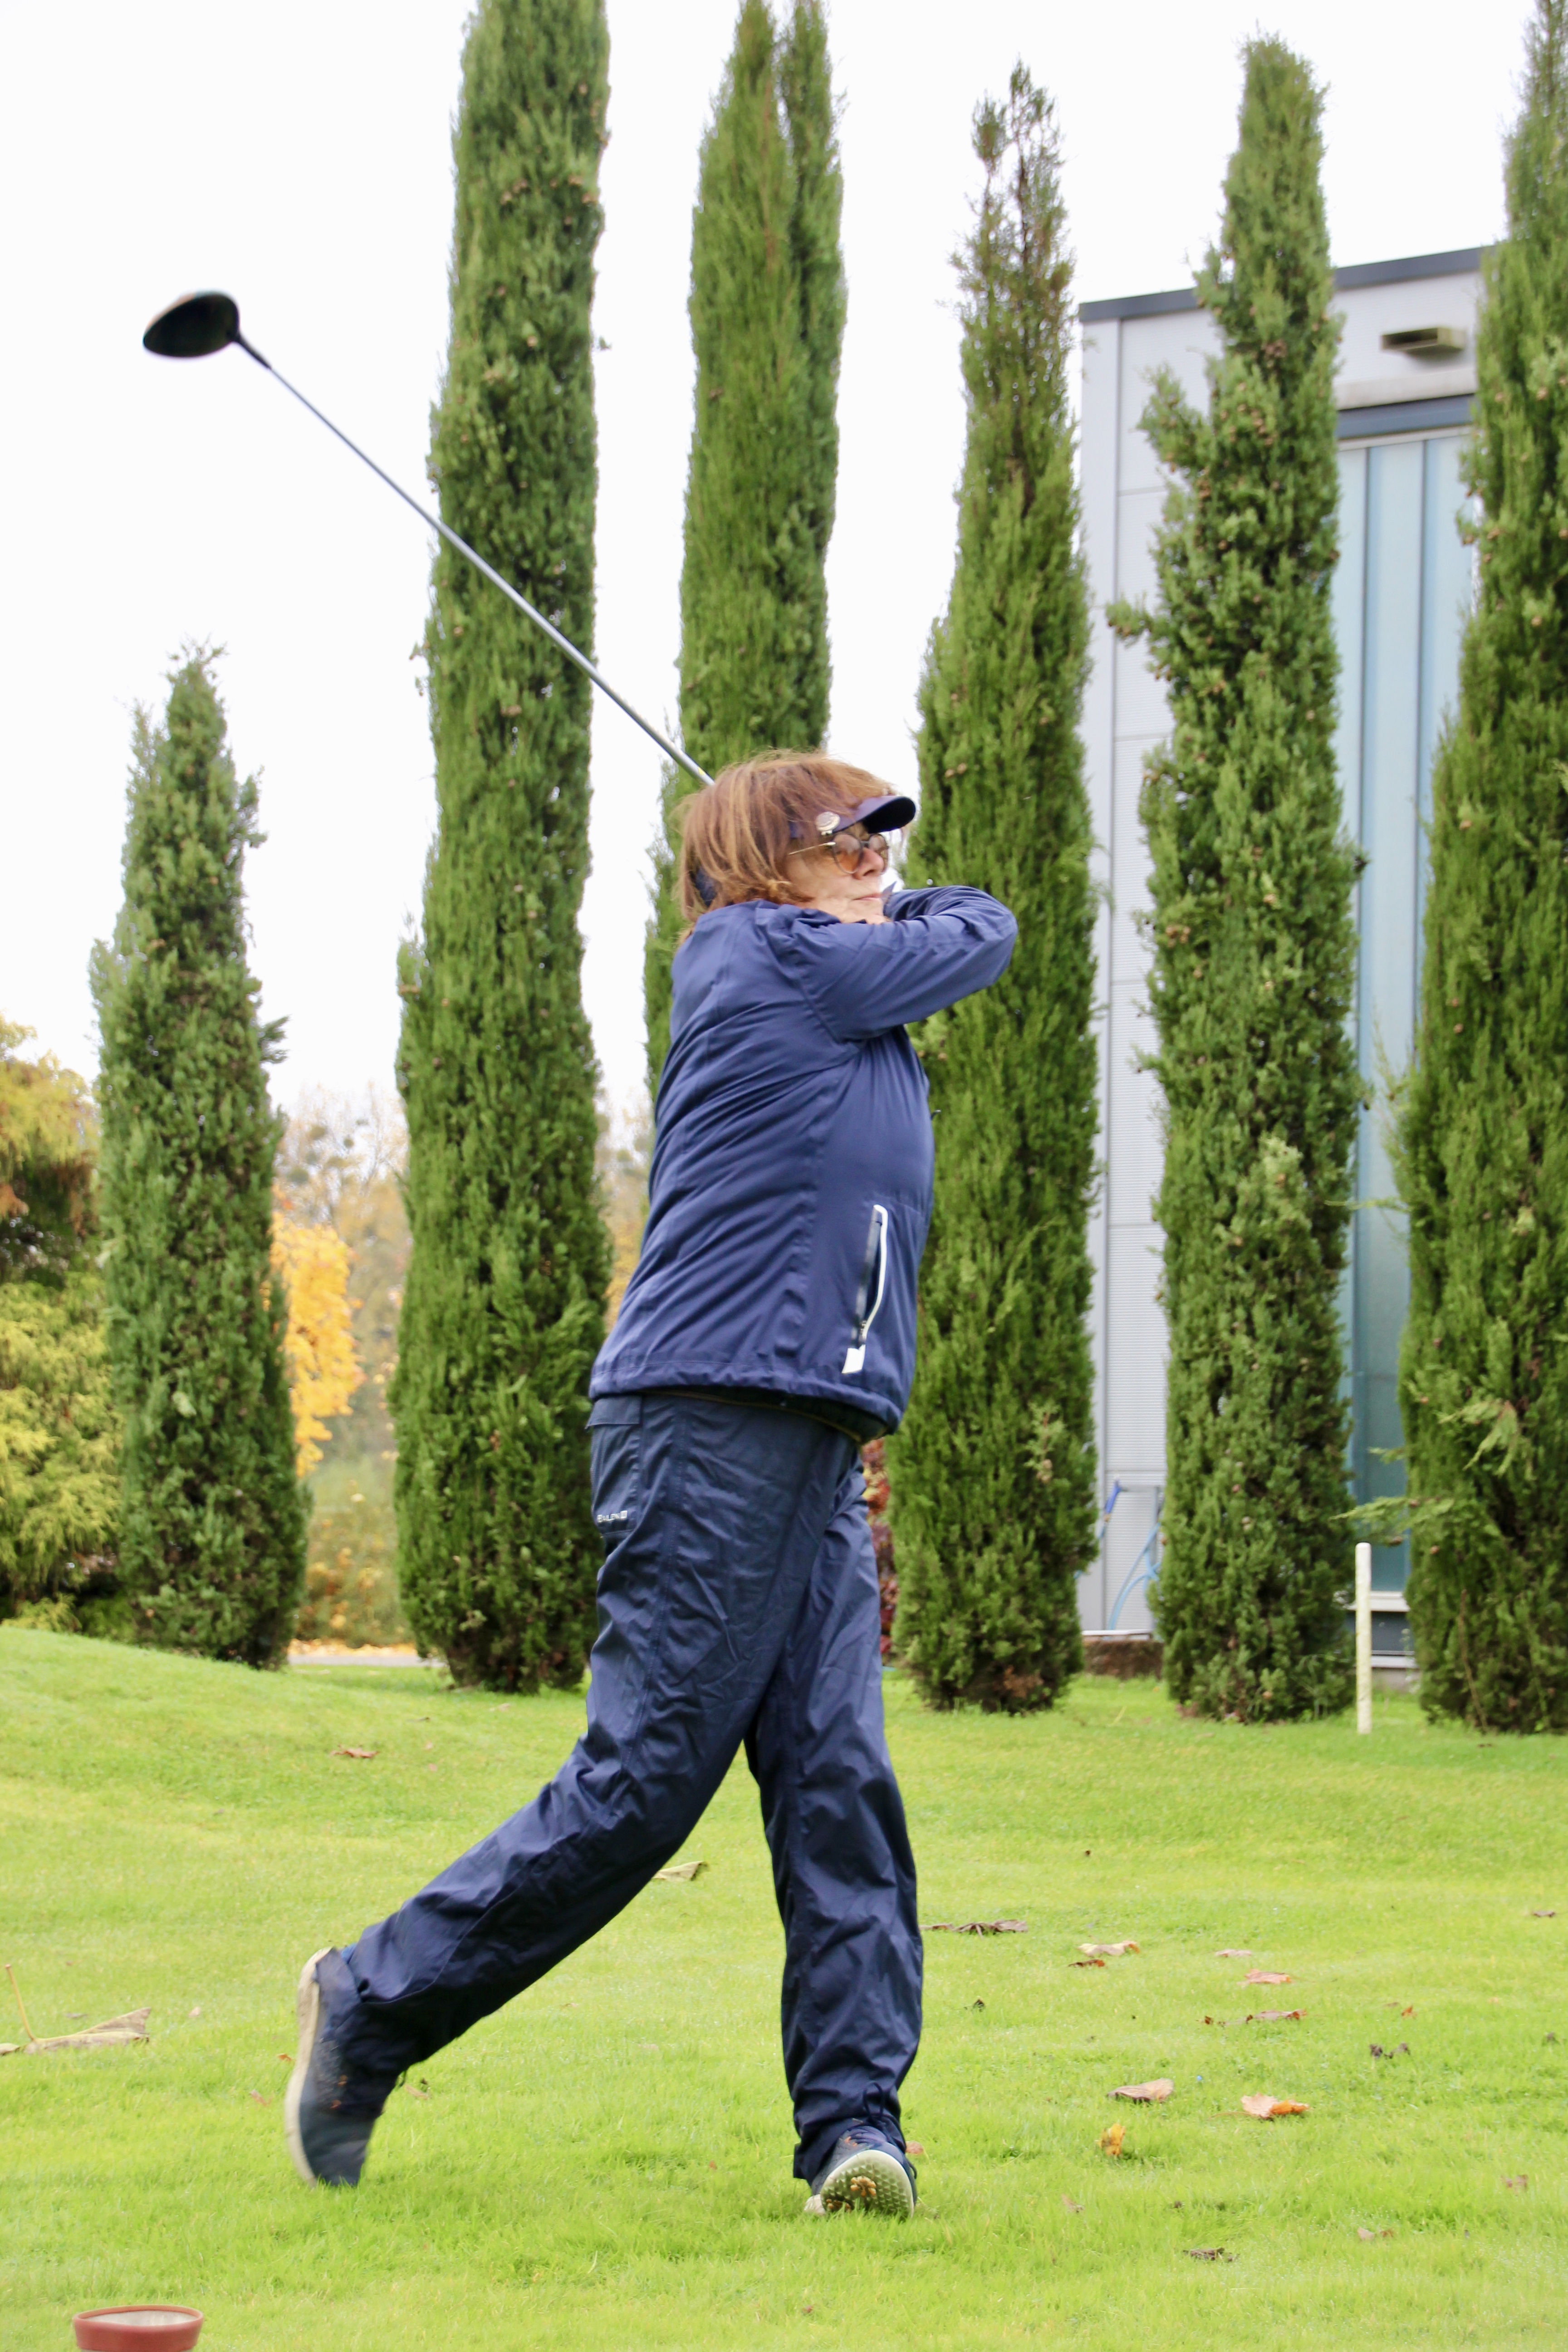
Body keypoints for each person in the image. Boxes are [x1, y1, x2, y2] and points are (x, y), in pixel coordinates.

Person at [284, 752, 1017, 2218]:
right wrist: (878, 901)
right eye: (846, 837)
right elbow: (983, 929)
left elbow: (955, 927)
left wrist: (865, 883)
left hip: (809, 1429)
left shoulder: (840, 983)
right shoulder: (758, 956)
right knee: (643, 1785)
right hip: (710, 1421)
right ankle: (369, 2001)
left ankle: (856, 2129)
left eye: (887, 836)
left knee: (838, 1784)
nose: (877, 856)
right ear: (759, 864)